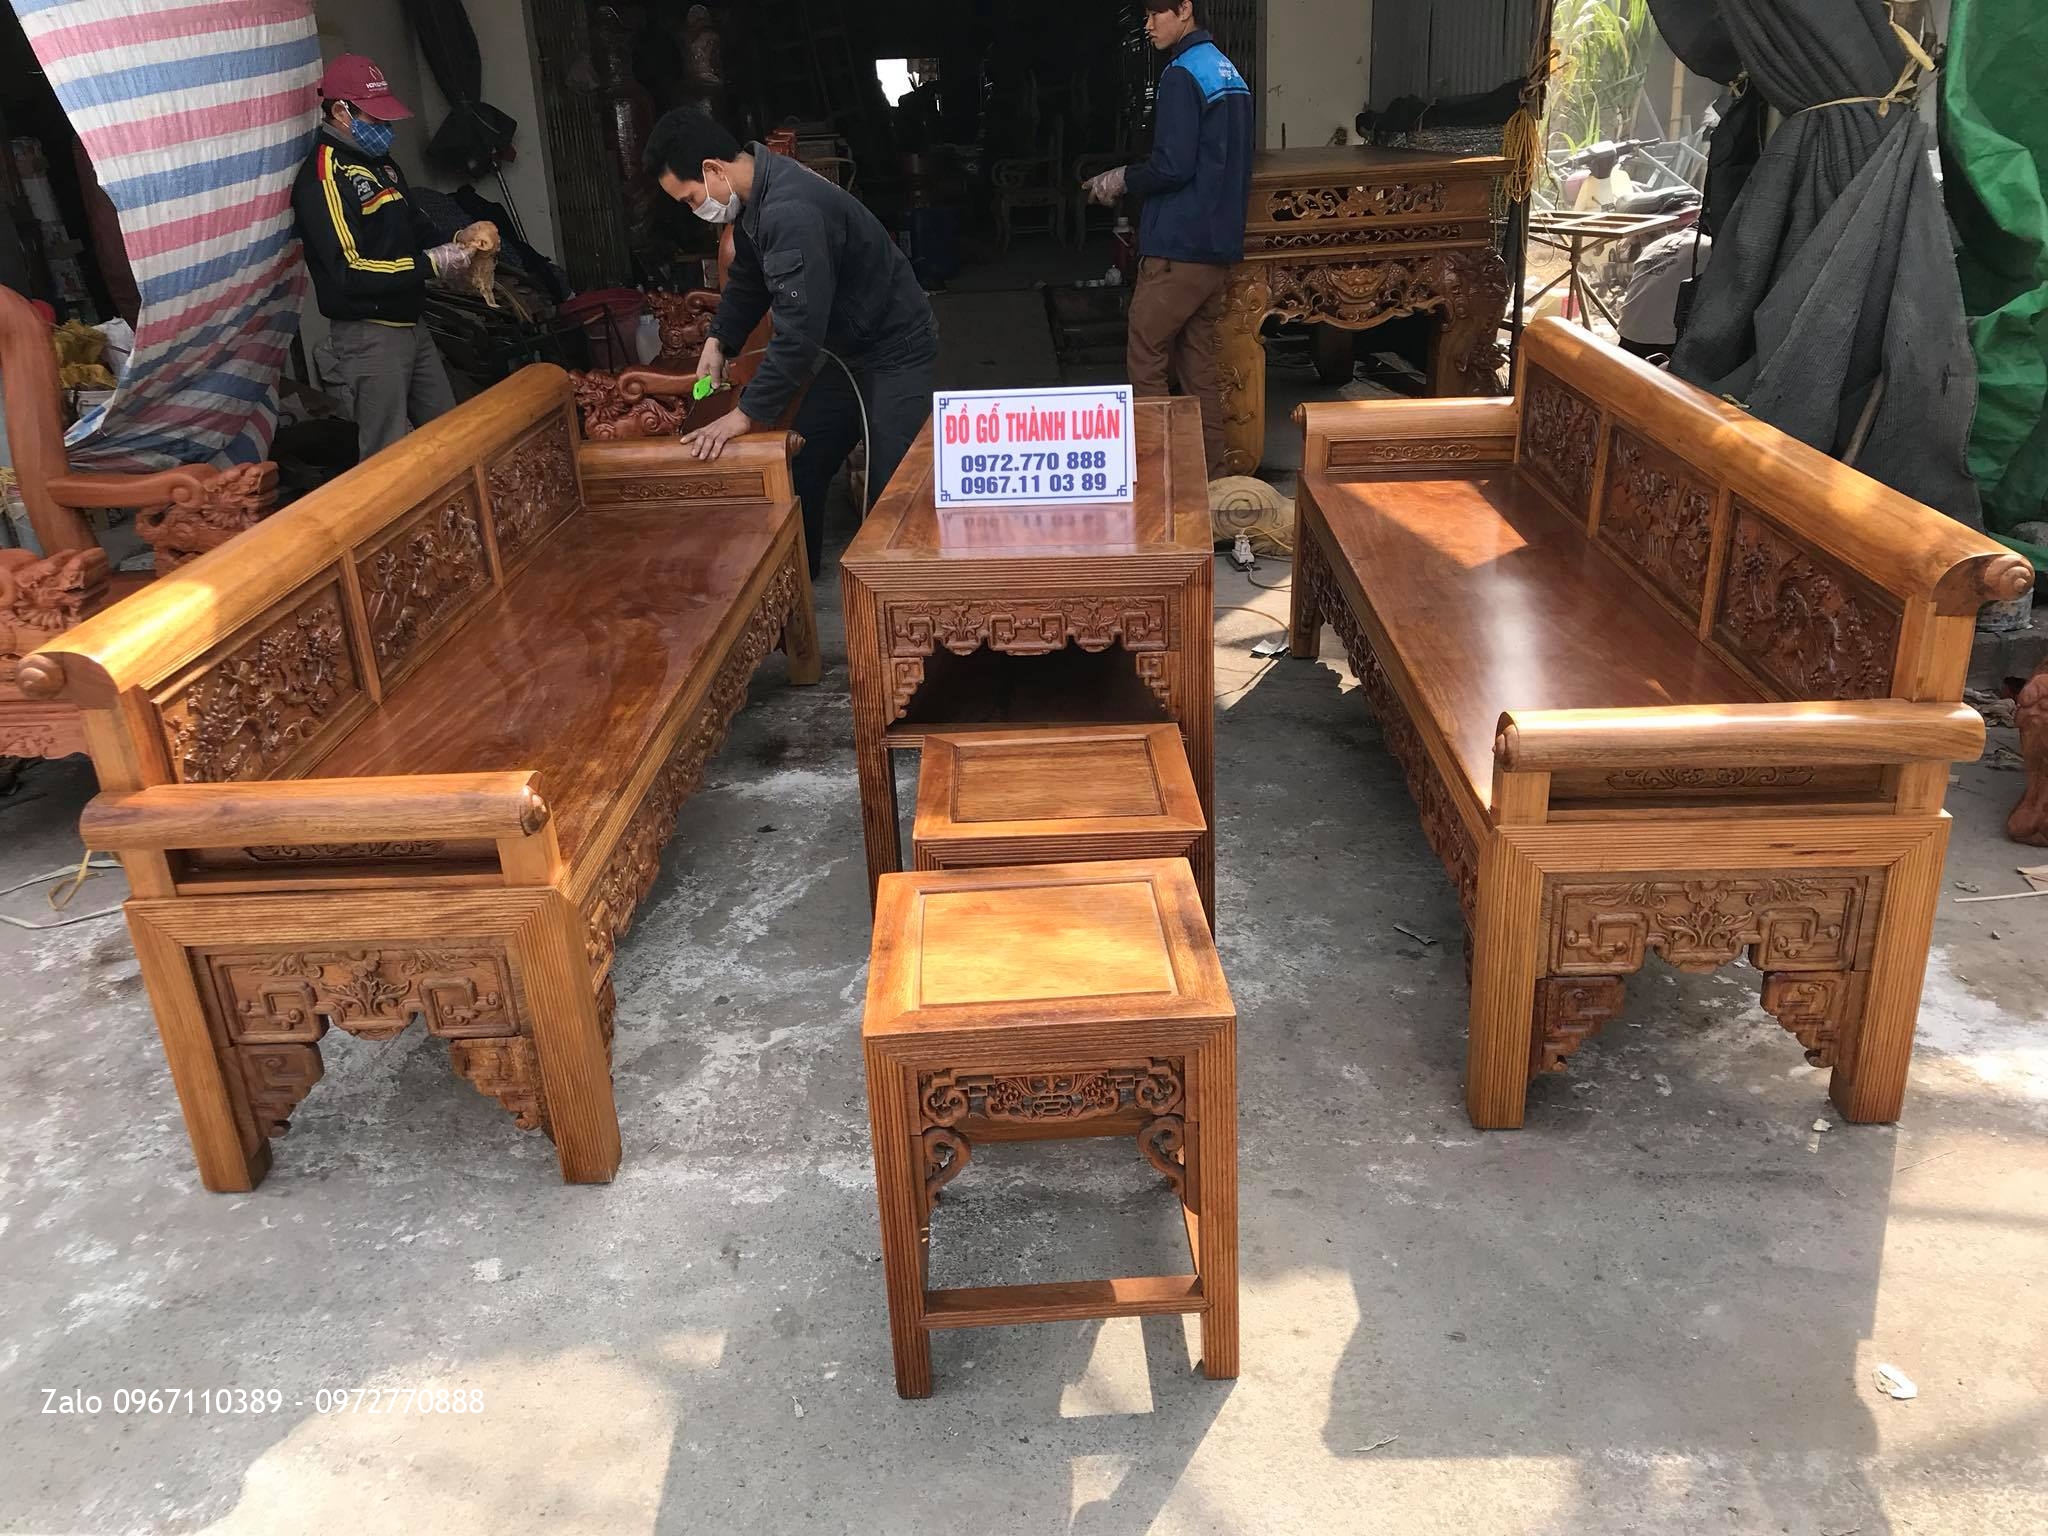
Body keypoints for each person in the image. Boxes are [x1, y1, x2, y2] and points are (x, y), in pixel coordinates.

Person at [645, 110, 938, 576]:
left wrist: (745, 415)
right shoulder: (757, 193)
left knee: (893, 492)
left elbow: (799, 333)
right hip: (852, 351)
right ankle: (800, 585)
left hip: (895, 347)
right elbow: (748, 278)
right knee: (803, 460)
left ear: (713, 169)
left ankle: (903, 603)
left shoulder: (789, 210)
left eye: (691, 198)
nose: (694, 209)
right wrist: (719, 341)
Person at [1086, 0, 1252, 478]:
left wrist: (1120, 179)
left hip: (1179, 245)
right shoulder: (1228, 72)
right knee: (1197, 365)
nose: (1148, 24)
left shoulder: (1181, 74)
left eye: (1157, 13)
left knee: (1146, 354)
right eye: (1145, 16)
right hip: (1215, 246)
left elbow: (1173, 166)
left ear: (1185, 9)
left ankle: (1162, 478)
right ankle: (1211, 479)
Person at [293, 54, 473, 460]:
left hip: (411, 322)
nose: (385, 128)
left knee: (452, 435)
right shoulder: (324, 177)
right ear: (341, 112)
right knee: (387, 453)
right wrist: (431, 264)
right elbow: (348, 271)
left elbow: (414, 222)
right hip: (370, 334)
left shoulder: (380, 164)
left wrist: (456, 241)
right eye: (374, 118)